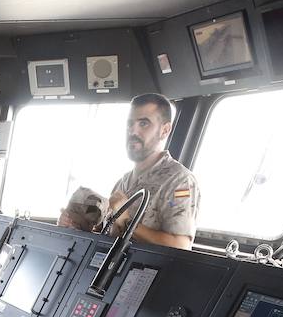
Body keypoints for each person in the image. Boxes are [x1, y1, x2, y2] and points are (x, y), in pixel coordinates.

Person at [59, 94, 200, 249]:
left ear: (165, 130)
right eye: (130, 124)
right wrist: (76, 227)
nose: (133, 131)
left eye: (144, 124)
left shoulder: (180, 181)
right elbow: (111, 235)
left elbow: (181, 246)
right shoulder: (123, 182)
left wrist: (127, 221)